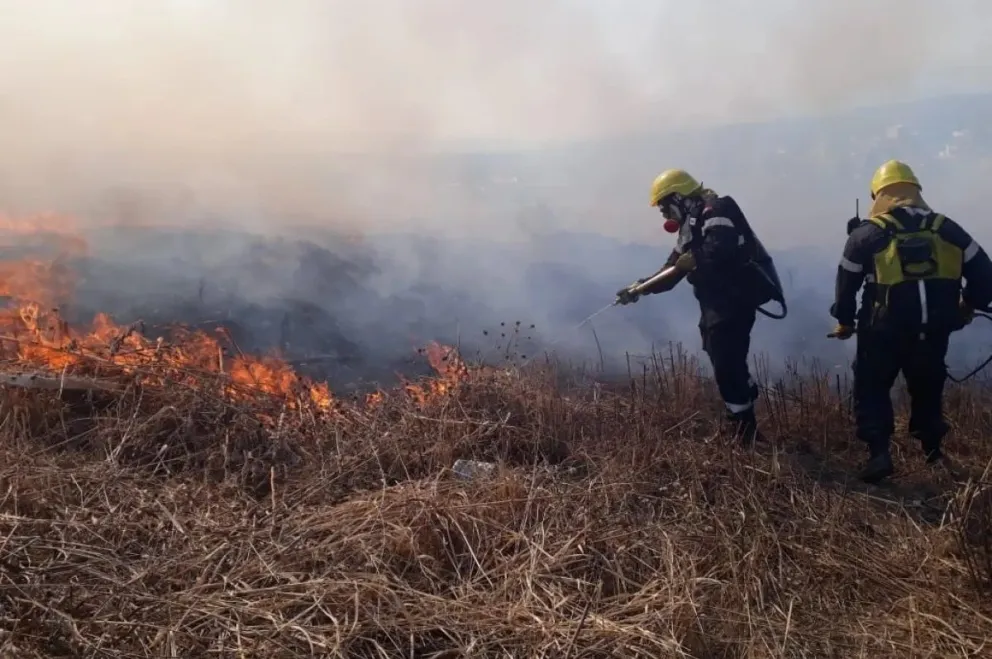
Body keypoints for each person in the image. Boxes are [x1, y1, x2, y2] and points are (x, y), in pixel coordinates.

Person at [830, 159, 992, 483]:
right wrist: (969, 305)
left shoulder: (867, 234)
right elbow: (985, 273)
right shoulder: (947, 228)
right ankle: (932, 452)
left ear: (878, 195)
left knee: (872, 387)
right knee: (928, 386)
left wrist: (845, 321)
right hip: (933, 330)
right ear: (916, 191)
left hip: (882, 332)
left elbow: (846, 283)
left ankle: (879, 453)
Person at [616, 168, 782, 446]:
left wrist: (695, 259)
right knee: (717, 352)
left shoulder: (717, 208)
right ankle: (744, 398)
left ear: (679, 197)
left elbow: (721, 248)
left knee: (726, 361)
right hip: (714, 302)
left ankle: (745, 432)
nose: (664, 215)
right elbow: (671, 271)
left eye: (665, 207)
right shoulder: (690, 227)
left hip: (735, 299)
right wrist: (640, 289)